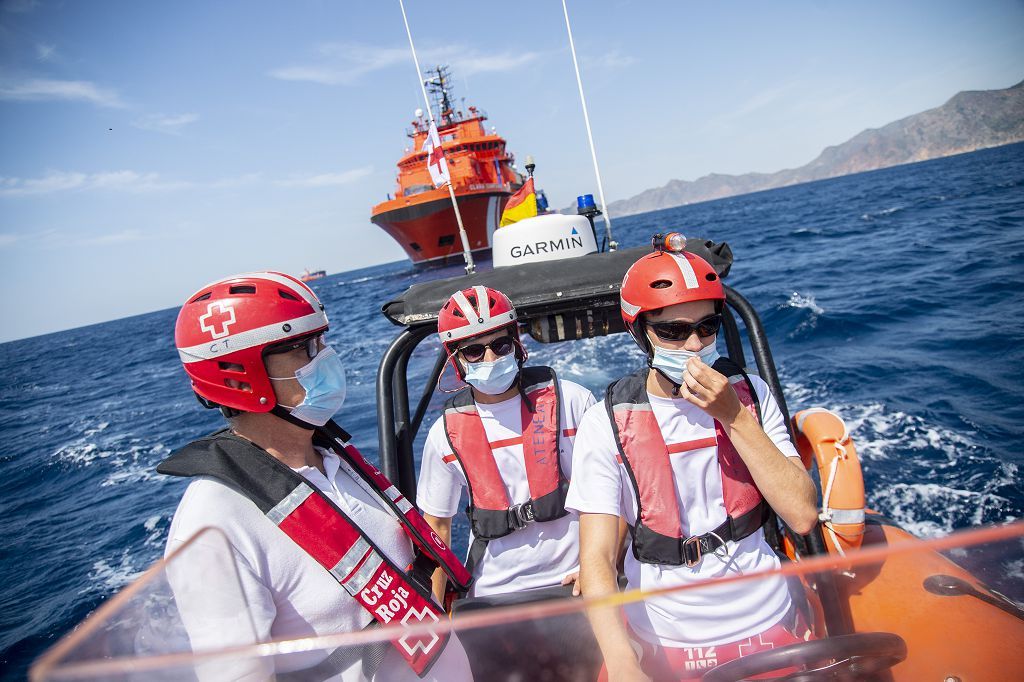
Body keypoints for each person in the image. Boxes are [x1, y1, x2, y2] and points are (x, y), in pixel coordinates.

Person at [158, 271, 473, 681]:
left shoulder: (335, 459)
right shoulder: (215, 521)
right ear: (241, 375)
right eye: (305, 348)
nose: (326, 357)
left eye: (322, 341)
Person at [566, 241, 819, 681]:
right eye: (673, 332)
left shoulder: (751, 396)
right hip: (665, 639)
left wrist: (733, 416)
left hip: (769, 620)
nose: (694, 344)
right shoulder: (604, 423)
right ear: (640, 332)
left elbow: (801, 515)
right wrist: (624, 662)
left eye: (707, 327)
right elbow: (598, 559)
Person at [417, 285, 596, 600]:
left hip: (579, 578)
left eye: (500, 345)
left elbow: (611, 493)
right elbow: (437, 528)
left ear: (516, 345)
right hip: (494, 592)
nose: (489, 357)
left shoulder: (574, 401)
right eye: (474, 351)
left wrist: (597, 565)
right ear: (456, 360)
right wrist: (433, 614)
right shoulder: (443, 434)